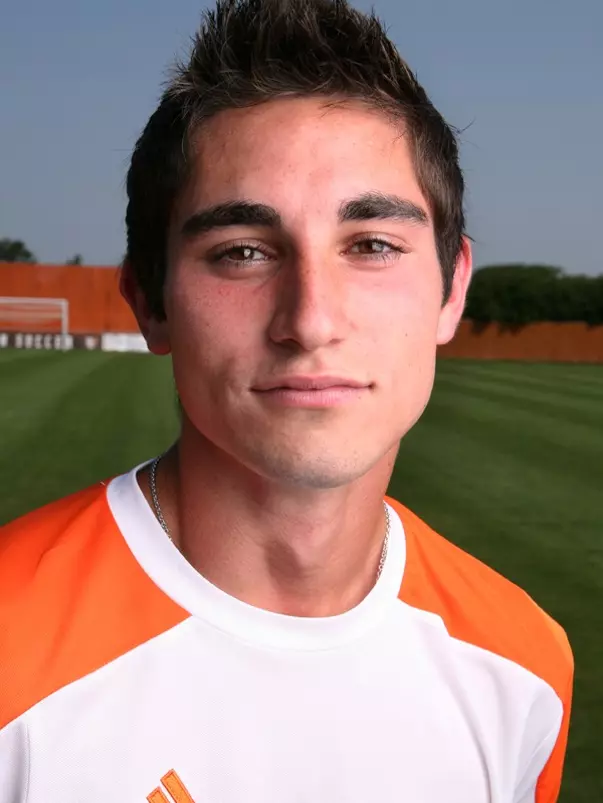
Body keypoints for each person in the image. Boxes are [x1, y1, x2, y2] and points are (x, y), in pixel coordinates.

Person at [0, 0, 573, 800]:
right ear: (150, 302)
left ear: (451, 290)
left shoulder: (524, 665)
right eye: (240, 251)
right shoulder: (10, 650)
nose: (310, 320)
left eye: (371, 245)